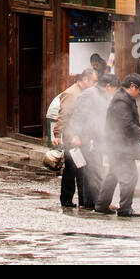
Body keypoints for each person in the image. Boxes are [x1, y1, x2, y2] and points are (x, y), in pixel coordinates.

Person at [95, 73, 140, 217]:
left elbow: (127, 122)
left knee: (114, 174)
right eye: (139, 90)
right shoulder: (122, 101)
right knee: (130, 176)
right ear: (133, 86)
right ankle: (125, 208)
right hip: (120, 146)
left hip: (117, 145)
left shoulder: (125, 98)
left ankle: (102, 205)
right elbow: (126, 125)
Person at [54, 68, 96, 209]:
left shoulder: (86, 93)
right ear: (85, 80)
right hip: (72, 138)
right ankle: (66, 199)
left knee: (81, 169)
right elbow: (63, 116)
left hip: (82, 137)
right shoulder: (71, 93)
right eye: (93, 81)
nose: (94, 85)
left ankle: (83, 200)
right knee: (71, 170)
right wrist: (57, 135)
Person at [74, 72, 118, 205]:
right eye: (114, 89)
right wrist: (76, 135)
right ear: (108, 86)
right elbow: (78, 115)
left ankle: (89, 203)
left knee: (90, 172)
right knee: (95, 170)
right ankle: (100, 203)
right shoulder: (89, 94)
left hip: (97, 138)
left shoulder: (101, 96)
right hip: (89, 138)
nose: (114, 93)